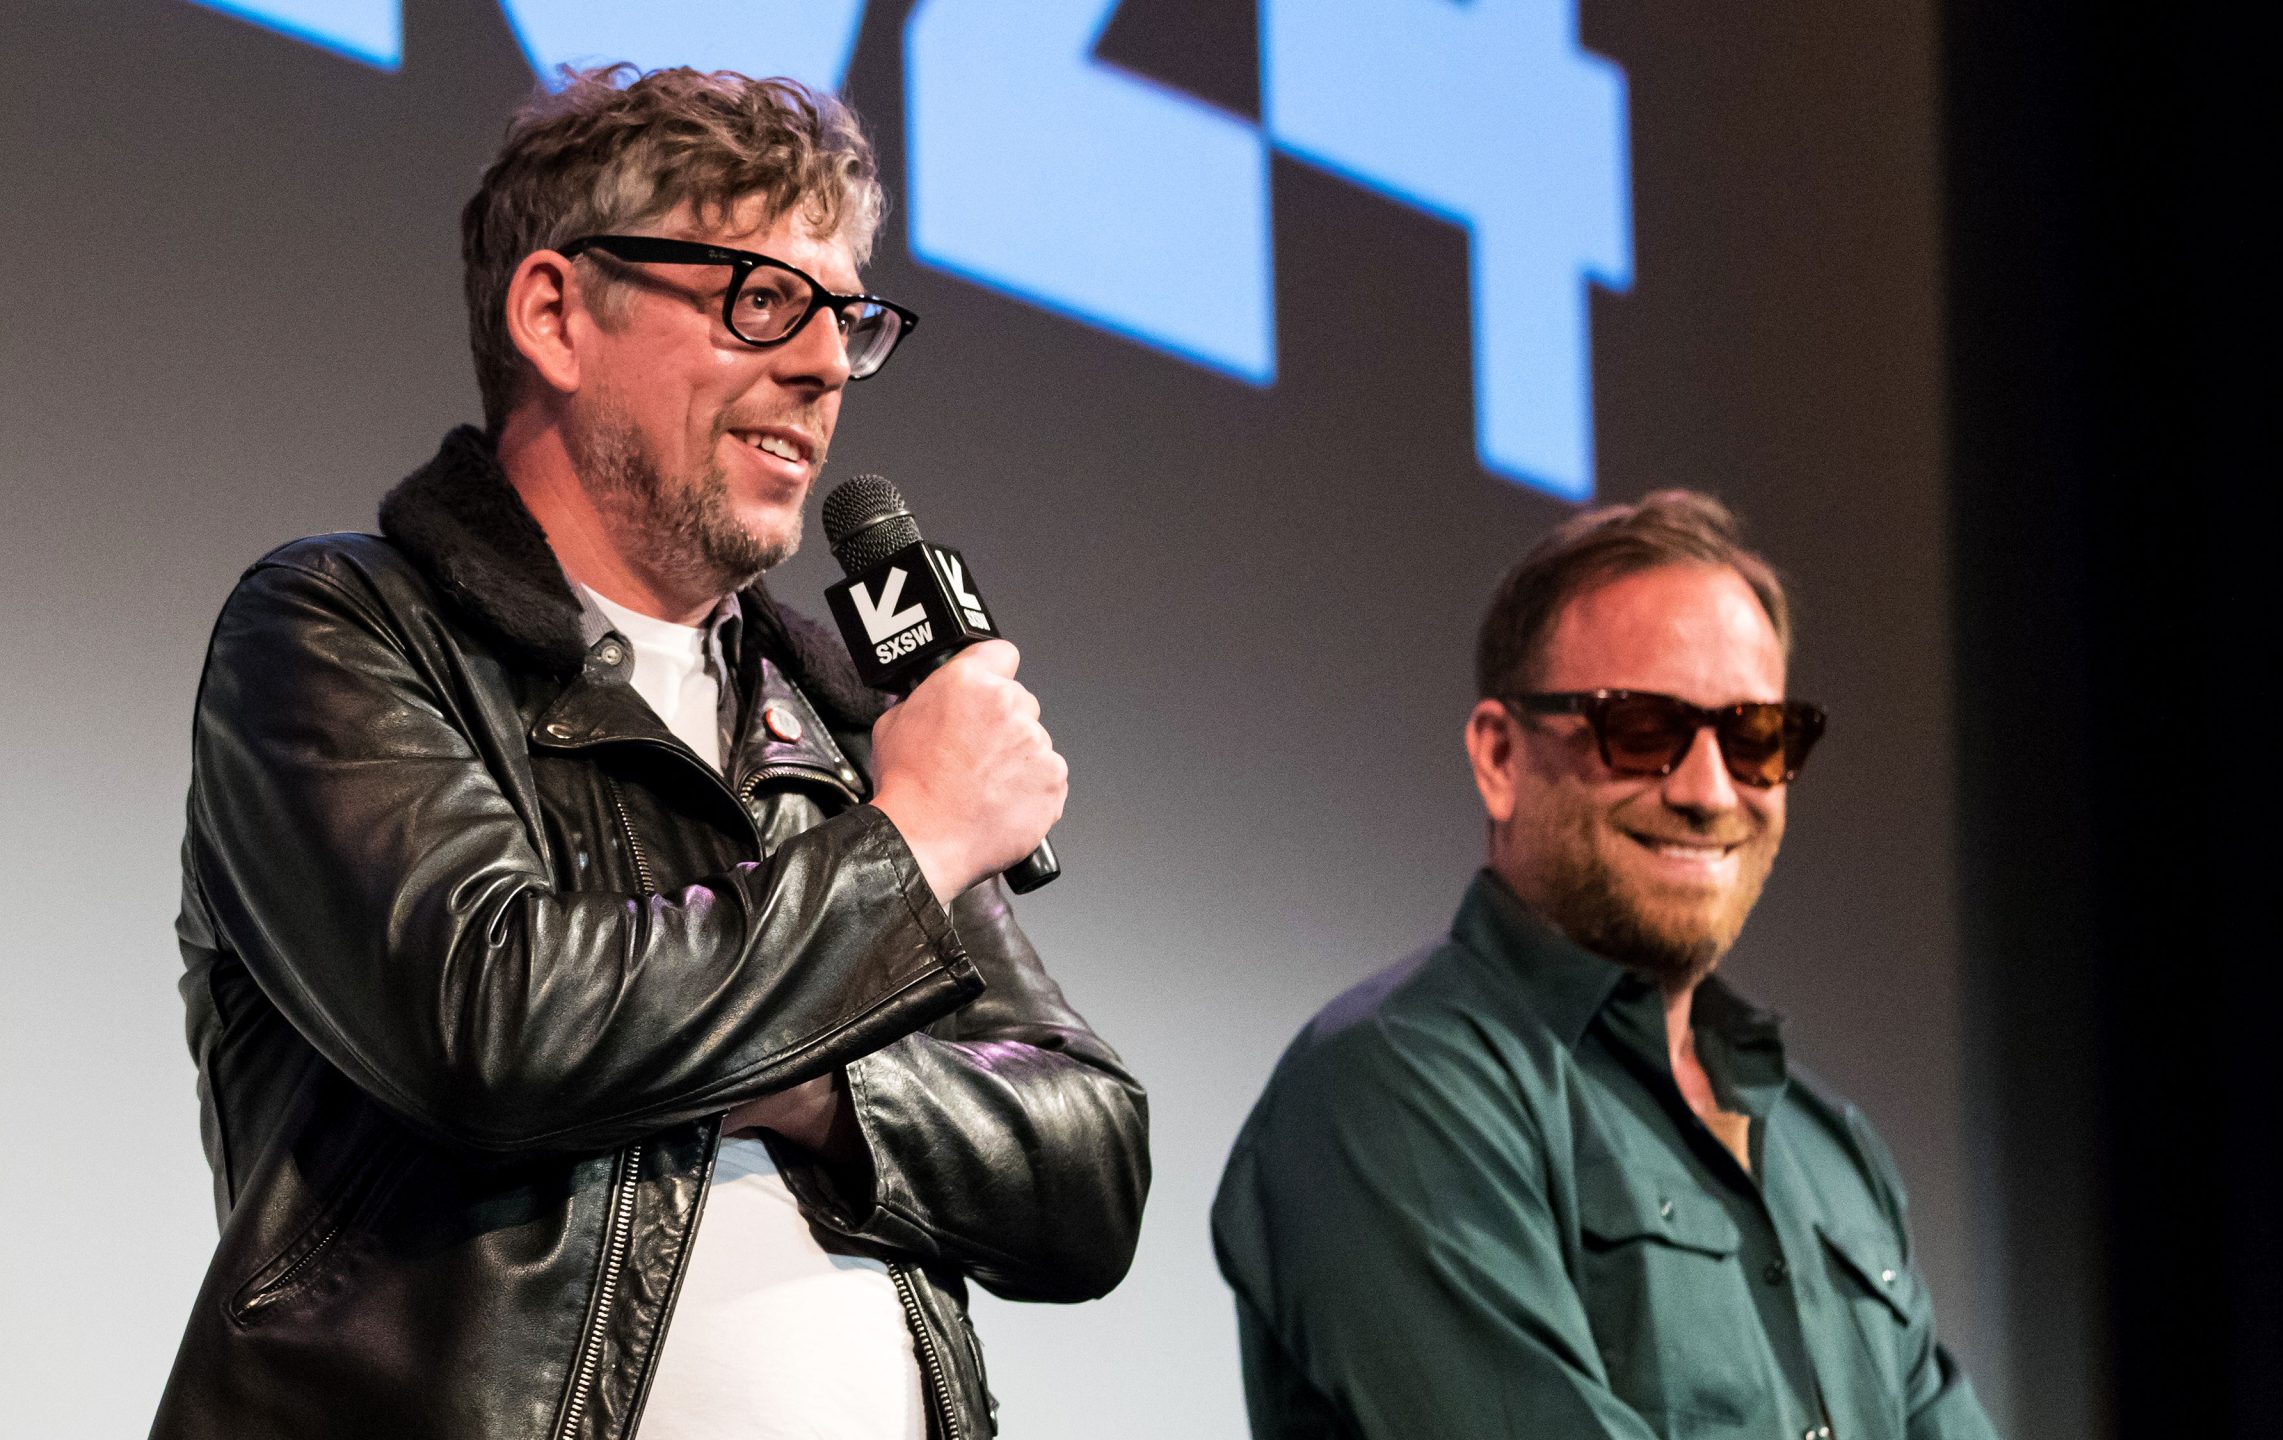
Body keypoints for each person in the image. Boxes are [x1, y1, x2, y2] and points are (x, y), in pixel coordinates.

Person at [155, 67, 1147, 1440]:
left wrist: (808, 1081)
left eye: (846, 318)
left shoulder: (832, 723)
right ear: (555, 313)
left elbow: (1087, 1164)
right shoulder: (344, 625)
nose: (817, 366)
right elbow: (489, 1017)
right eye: (760, 299)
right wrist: (905, 852)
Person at [1213, 492, 1999, 1439]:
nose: (1711, 793)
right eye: (1641, 730)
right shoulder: (1389, 1088)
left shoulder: (1830, 1150)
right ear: (1500, 755)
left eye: (1755, 739)